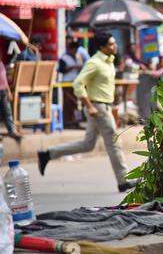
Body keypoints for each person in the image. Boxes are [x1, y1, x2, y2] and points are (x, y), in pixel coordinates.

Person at [37, 33, 137, 193]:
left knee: (87, 145)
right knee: (114, 142)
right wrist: (89, 106)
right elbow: (78, 84)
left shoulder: (109, 62)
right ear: (102, 47)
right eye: (111, 44)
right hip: (98, 108)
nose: (115, 46)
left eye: (114, 43)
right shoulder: (94, 63)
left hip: (103, 106)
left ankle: (48, 154)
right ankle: (123, 180)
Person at [0, 50, 22, 140]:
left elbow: (4, 79)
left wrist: (8, 91)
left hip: (3, 91)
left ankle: (11, 131)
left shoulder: (1, 64)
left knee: (7, 112)